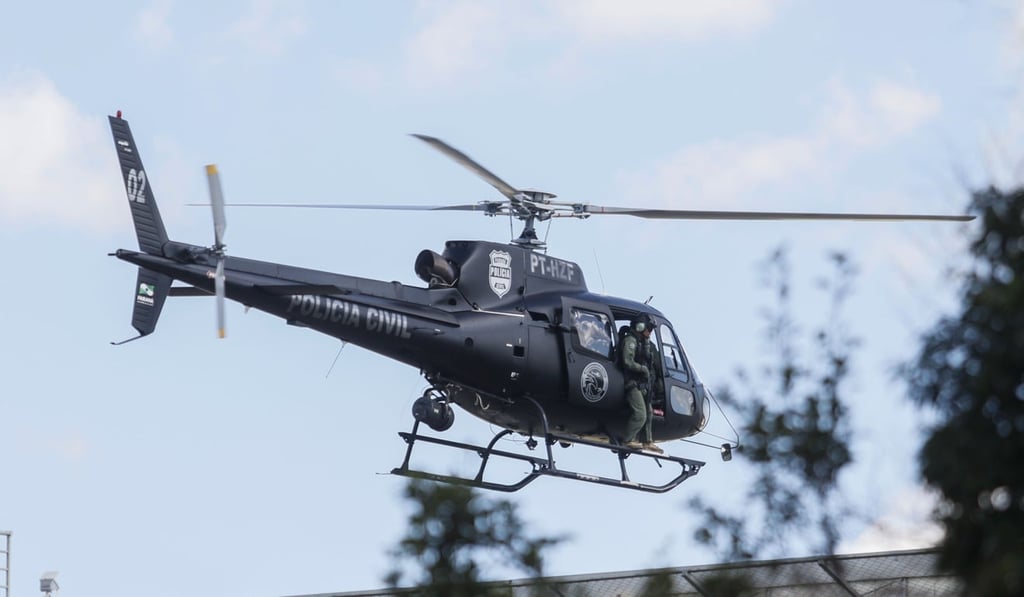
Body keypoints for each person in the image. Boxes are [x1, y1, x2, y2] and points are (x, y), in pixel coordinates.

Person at [619, 314, 664, 454]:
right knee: (640, 414)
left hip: (643, 385)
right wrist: (642, 369)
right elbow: (627, 361)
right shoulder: (630, 341)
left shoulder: (646, 344)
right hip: (632, 384)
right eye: (648, 329)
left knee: (649, 412)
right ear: (640, 327)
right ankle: (627, 440)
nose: (649, 332)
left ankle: (647, 441)